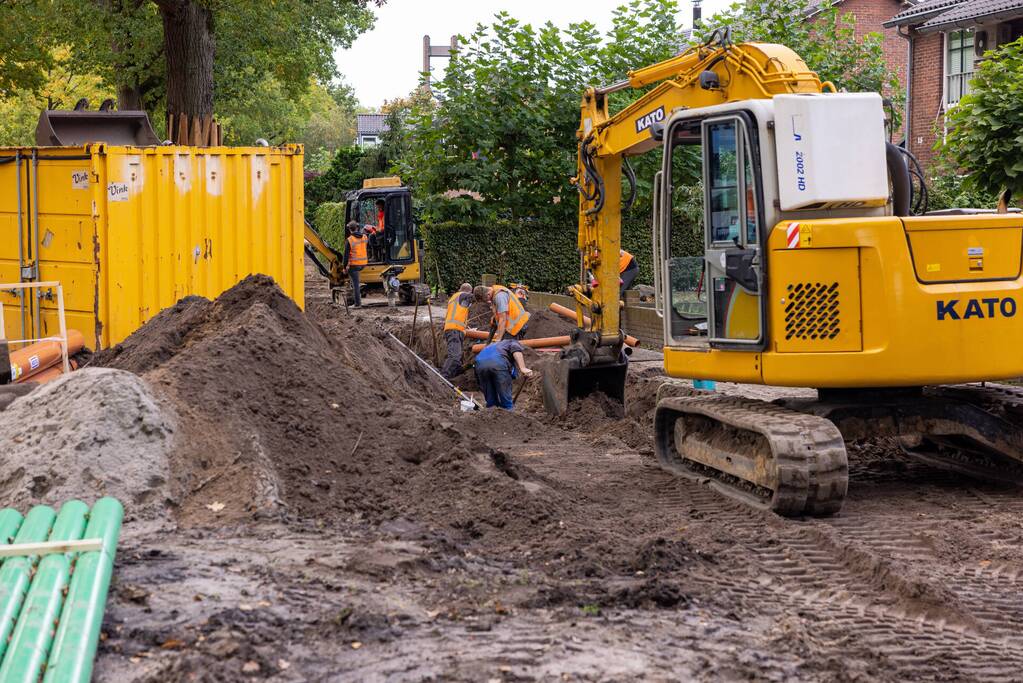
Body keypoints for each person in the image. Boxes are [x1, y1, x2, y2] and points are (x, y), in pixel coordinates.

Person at [474, 339, 533, 410]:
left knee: (490, 401)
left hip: (479, 364)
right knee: (506, 400)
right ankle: (508, 413)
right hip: (497, 362)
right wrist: (523, 368)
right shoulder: (512, 342)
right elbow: (516, 349)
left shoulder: (490, 346)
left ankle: (491, 412)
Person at [441, 283, 473, 379]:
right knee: (454, 357)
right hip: (454, 330)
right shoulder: (462, 295)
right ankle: (443, 377)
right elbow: (473, 297)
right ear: (468, 291)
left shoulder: (455, 299)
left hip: (454, 329)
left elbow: (458, 316)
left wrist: (466, 328)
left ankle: (456, 374)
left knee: (457, 358)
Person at [343, 220, 368, 308]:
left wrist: (344, 267)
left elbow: (346, 256)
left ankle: (357, 304)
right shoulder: (364, 237)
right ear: (357, 227)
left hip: (355, 265)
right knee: (356, 280)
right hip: (364, 263)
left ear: (350, 229)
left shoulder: (349, 240)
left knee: (355, 284)